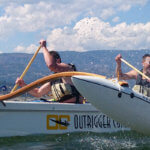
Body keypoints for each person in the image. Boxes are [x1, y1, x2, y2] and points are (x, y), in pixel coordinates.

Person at [16, 40, 83, 103]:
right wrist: (23, 85)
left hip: (75, 110)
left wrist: (44, 47)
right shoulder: (54, 80)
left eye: (49, 60)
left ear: (58, 60)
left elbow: (51, 65)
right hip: (60, 110)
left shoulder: (69, 69)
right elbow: (38, 93)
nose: (47, 65)